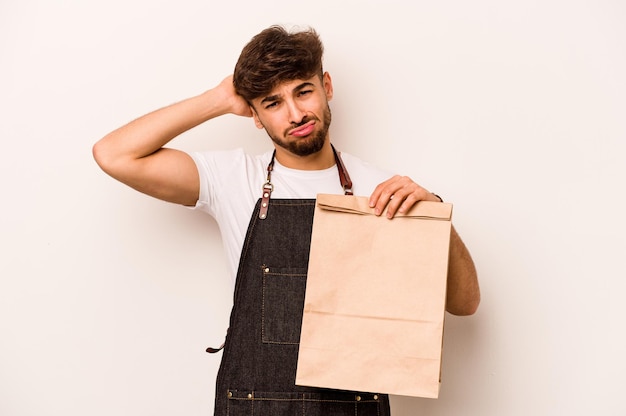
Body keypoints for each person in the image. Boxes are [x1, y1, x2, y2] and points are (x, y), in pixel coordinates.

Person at [93, 25, 480, 416]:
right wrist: (218, 98)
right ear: (255, 116)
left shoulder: (382, 190)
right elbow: (115, 155)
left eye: (303, 91)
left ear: (326, 86)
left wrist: (435, 216)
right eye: (272, 103)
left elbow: (466, 304)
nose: (295, 114)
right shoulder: (232, 179)